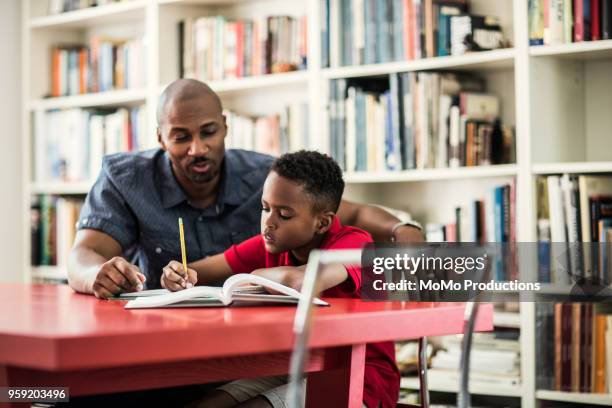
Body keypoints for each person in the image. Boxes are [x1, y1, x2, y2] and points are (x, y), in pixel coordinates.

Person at [68, 78, 423, 299]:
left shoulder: (268, 178)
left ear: (225, 127)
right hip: (160, 334)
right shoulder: (125, 177)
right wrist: (95, 275)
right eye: (180, 137)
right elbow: (82, 256)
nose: (197, 148)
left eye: (208, 132)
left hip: (258, 346)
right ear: (160, 137)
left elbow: (352, 213)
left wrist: (400, 228)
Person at [162, 150, 399, 408]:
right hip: (297, 365)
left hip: (359, 376)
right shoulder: (272, 242)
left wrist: (252, 277)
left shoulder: (355, 243)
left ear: (322, 222)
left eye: (284, 215)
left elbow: (301, 281)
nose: (268, 223)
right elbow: (198, 270)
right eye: (265, 208)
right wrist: (177, 273)